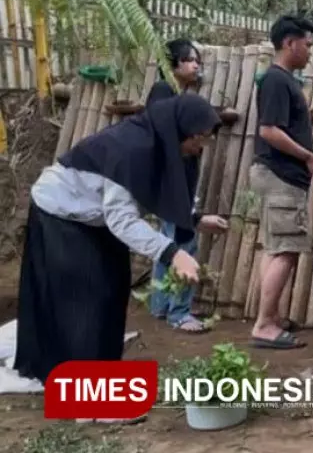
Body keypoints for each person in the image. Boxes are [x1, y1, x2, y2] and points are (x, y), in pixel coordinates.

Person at [15, 94, 226, 422]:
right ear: (180, 131)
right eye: (200, 139)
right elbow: (123, 220)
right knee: (88, 300)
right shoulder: (131, 151)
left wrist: (195, 219)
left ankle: (101, 392)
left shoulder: (155, 144)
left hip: (92, 213)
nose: (201, 148)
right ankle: (88, 406)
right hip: (62, 212)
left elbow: (153, 193)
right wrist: (173, 254)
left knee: (113, 290)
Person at [248, 14, 313, 349]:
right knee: (287, 250)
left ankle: (270, 316)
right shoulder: (277, 81)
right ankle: (264, 325)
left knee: (275, 248)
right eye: (307, 44)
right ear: (289, 43)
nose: (310, 51)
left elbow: (288, 128)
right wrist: (308, 157)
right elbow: (269, 130)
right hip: (282, 176)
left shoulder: (283, 80)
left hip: (275, 173)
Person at [146, 39, 209, 333]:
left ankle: (161, 305)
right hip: (173, 185)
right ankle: (179, 313)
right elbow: (162, 135)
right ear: (174, 64)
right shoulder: (163, 92)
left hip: (175, 183)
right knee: (186, 244)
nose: (196, 65)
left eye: (197, 60)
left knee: (168, 244)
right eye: (189, 59)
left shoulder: (174, 93)